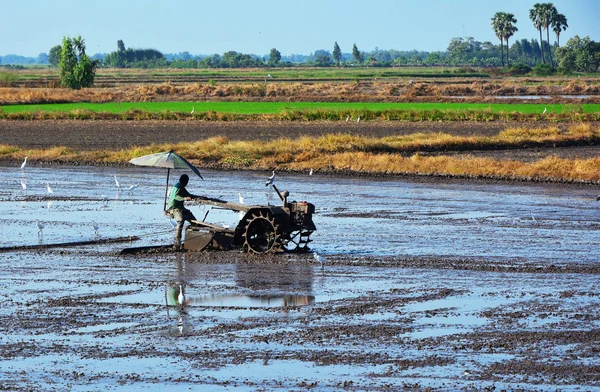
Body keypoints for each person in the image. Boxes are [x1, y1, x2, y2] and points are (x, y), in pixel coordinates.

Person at [167, 174, 200, 250]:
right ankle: (177, 241)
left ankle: (191, 238)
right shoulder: (178, 187)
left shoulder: (181, 187)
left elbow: (188, 195)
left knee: (195, 222)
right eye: (187, 181)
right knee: (180, 220)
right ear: (185, 181)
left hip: (181, 208)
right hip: (174, 208)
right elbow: (176, 197)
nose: (187, 183)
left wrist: (195, 197)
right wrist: (185, 198)